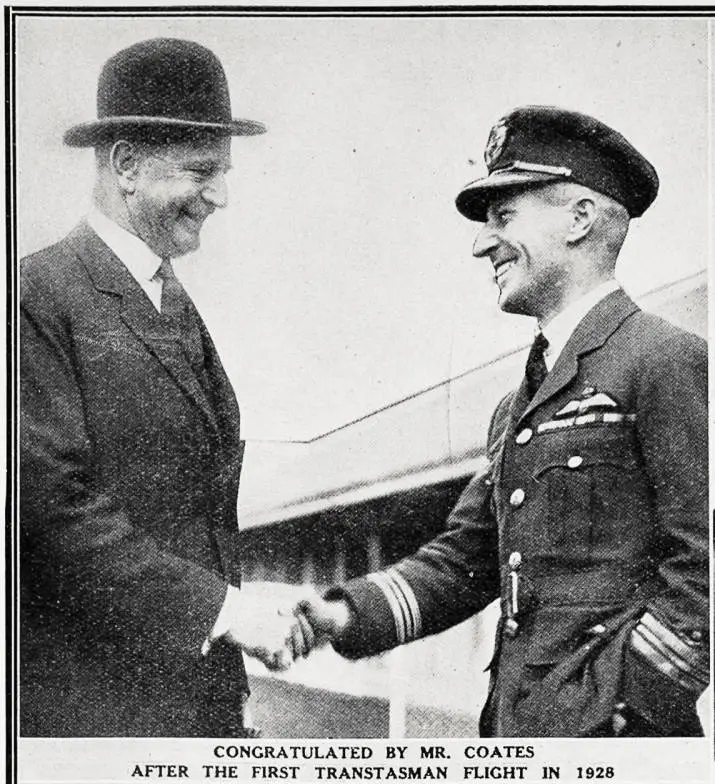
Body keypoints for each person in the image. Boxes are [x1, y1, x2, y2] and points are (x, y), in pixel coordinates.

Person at [297, 106, 709, 737]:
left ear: (579, 219)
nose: (481, 242)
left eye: (504, 216)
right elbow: (467, 559)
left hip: (617, 741)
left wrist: (626, 704)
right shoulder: (515, 407)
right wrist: (342, 615)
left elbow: (703, 561)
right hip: (513, 731)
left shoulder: (665, 361)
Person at [20, 38, 313, 737]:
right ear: (126, 165)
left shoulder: (167, 298)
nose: (220, 195)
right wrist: (222, 610)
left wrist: (233, 606)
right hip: (92, 716)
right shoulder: (35, 294)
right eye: (201, 171)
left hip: (191, 705)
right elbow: (49, 509)